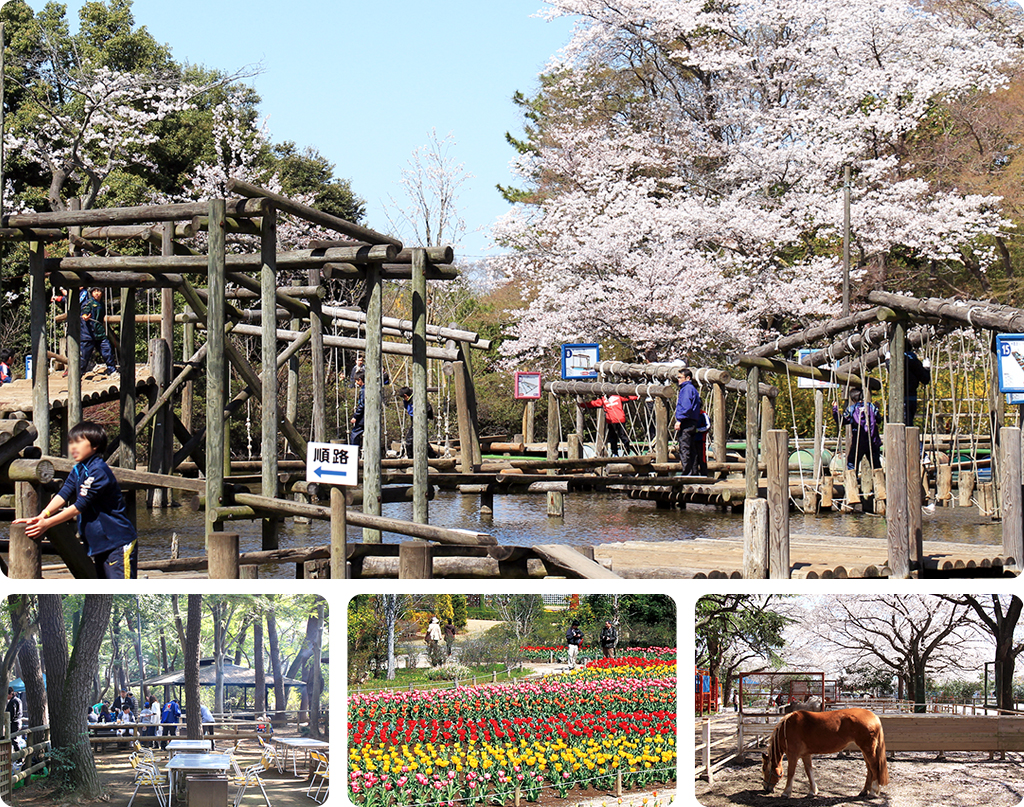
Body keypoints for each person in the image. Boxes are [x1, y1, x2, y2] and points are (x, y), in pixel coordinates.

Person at [14, 421, 138, 579]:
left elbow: (79, 506)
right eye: (71, 442)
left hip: (117, 543)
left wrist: (47, 524)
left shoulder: (98, 471)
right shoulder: (79, 469)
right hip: (100, 545)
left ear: (95, 445)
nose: (73, 447)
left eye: (79, 442)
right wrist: (42, 515)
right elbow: (64, 493)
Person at [834, 387, 882, 475]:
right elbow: (879, 420)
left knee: (852, 463)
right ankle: (879, 485)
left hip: (859, 442)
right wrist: (878, 409)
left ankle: (853, 484)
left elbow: (842, 421)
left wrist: (835, 409)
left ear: (852, 399)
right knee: (876, 465)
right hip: (873, 441)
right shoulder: (872, 407)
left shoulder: (851, 409)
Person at [80, 287, 117, 376]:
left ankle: (112, 370)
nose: (97, 293)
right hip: (88, 334)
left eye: (99, 291)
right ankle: (79, 374)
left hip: (99, 333)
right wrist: (85, 316)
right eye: (95, 291)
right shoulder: (89, 303)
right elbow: (85, 310)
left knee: (107, 350)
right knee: (84, 356)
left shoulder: (102, 304)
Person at [674, 368, 704, 474]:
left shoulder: (686, 389)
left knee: (684, 446)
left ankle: (686, 471)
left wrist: (680, 420)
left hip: (686, 420)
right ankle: (693, 471)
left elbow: (686, 406)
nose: (678, 380)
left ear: (687, 378)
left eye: (680, 377)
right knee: (691, 447)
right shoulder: (692, 389)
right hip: (693, 421)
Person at [398, 386, 437, 459]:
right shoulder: (408, 401)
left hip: (420, 420)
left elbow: (428, 408)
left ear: (406, 396)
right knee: (419, 438)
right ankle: (432, 456)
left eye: (404, 398)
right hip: (415, 420)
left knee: (410, 440)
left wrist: (430, 416)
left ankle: (411, 458)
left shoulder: (417, 398)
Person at [904, 349, 932, 426]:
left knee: (903, 424)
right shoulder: (916, 362)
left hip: (900, 398)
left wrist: (888, 361)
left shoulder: (899, 361)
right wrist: (926, 369)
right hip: (912, 397)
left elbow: (891, 370)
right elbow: (925, 379)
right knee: (909, 422)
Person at [350, 369, 365, 448]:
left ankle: (354, 452)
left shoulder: (363, 390)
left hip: (362, 418)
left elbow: (362, 405)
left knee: (354, 434)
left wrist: (355, 416)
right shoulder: (370, 388)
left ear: (360, 380)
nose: (356, 383)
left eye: (356, 381)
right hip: (370, 418)